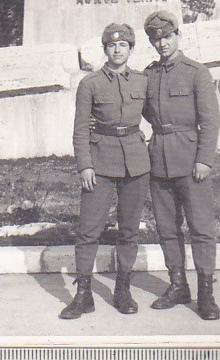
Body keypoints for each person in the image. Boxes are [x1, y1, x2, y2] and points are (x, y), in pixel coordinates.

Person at [60, 23, 150, 319]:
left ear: (131, 49)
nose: (117, 49)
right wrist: (84, 165)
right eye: (111, 45)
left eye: (123, 45)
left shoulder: (142, 81)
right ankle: (83, 294)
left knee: (129, 230)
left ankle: (122, 289)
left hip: (136, 162)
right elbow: (80, 130)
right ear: (105, 49)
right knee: (88, 230)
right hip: (99, 162)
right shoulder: (91, 84)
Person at [143, 10, 220, 320]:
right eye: (156, 39)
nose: (162, 43)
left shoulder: (196, 72)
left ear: (178, 35)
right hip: (159, 160)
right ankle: (178, 285)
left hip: (191, 163)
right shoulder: (148, 75)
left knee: (201, 229)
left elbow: (210, 120)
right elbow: (146, 112)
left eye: (167, 36)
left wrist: (204, 159)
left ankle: (205, 292)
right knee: (167, 229)